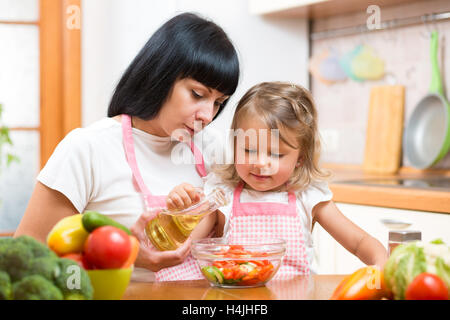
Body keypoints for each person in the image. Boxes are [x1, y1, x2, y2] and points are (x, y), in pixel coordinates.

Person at [14, 12, 240, 282]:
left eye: (218, 103)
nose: (208, 115)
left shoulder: (216, 149)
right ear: (162, 74)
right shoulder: (87, 149)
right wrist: (125, 257)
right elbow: (24, 264)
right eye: (198, 94)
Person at [167, 82, 388, 279]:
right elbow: (183, 244)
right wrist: (182, 208)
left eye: (276, 155)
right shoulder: (222, 193)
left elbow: (359, 243)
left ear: (300, 158)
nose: (261, 163)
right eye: (249, 149)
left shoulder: (308, 196)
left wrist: (380, 265)